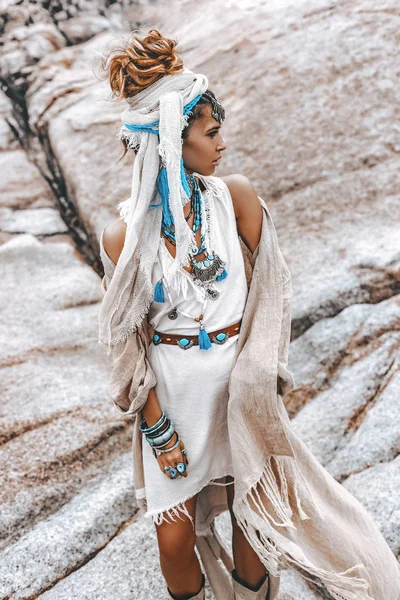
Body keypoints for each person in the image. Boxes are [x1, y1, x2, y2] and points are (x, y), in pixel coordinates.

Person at [98, 28, 400, 600]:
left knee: (254, 519)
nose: (221, 144)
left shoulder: (233, 197)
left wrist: (261, 379)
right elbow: (128, 346)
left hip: (238, 391)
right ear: (171, 140)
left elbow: (271, 297)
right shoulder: (122, 237)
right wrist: (156, 427)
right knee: (172, 537)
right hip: (175, 399)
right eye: (211, 132)